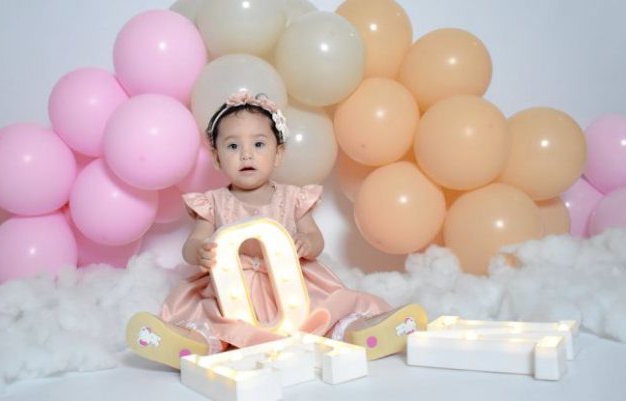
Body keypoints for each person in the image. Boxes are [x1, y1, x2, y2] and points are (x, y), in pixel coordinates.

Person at [126, 92, 427, 369]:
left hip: (289, 282)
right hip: (232, 287)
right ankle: (191, 342)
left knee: (326, 307)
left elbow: (315, 237)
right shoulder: (213, 202)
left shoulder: (293, 197)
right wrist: (199, 252)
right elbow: (194, 241)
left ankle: (361, 330)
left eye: (258, 144)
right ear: (217, 158)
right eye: (233, 146)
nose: (246, 154)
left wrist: (306, 243)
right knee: (211, 313)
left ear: (278, 154)